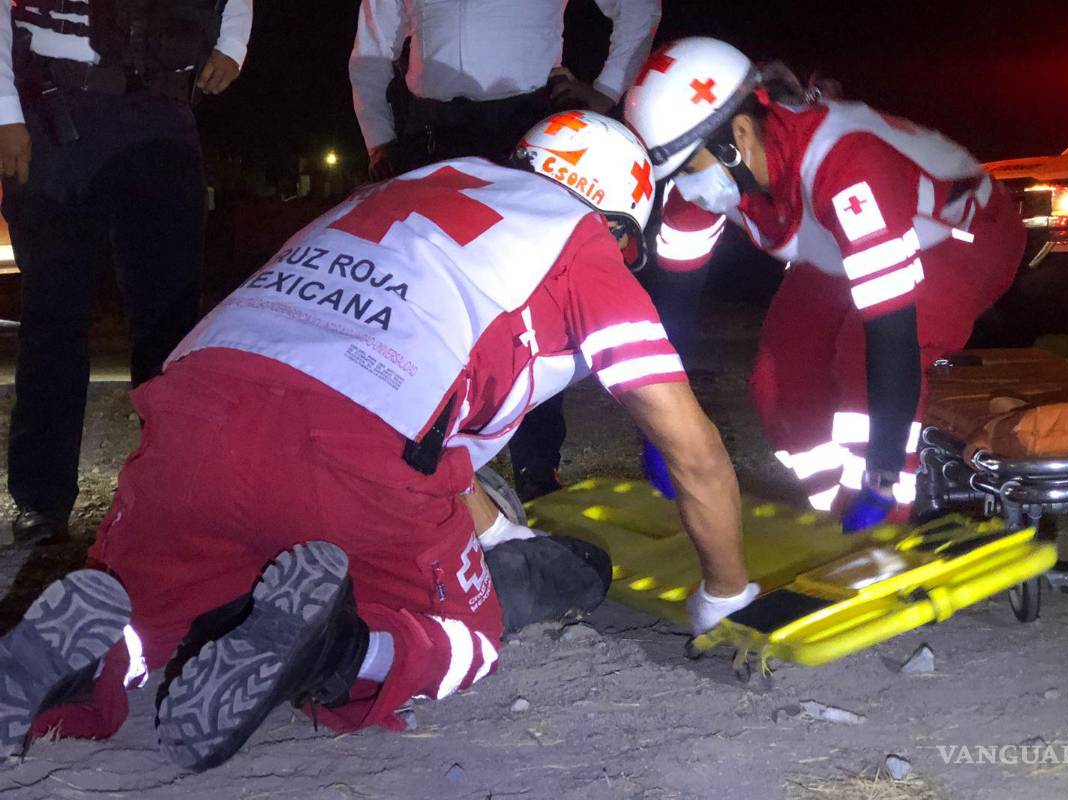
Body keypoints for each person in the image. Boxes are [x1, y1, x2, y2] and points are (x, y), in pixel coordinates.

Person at [0, 112, 757, 771]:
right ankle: (336, 654)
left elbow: (421, 400)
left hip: (196, 411)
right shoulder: (580, 243)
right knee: (467, 636)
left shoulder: (410, 186)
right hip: (356, 443)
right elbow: (692, 449)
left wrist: (503, 533)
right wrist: (727, 591)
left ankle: (104, 655)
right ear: (618, 221)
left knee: (193, 586)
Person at [623, 37, 1025, 531]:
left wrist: (880, 477)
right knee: (778, 379)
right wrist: (662, 428)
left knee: (857, 359)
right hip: (841, 244)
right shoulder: (700, 181)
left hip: (961, 235)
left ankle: (885, 522)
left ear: (740, 133)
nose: (684, 187)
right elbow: (673, 315)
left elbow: (891, 336)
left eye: (688, 168)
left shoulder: (846, 164)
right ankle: (835, 519)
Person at [349, 0, 662, 500]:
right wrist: (380, 140)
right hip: (429, 133)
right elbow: (369, 51)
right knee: (421, 298)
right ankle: (427, 465)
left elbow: (638, 8)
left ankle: (538, 471)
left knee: (533, 296)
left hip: (527, 126)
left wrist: (604, 92)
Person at [0, 0, 254, 545]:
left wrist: (233, 41)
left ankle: (173, 488)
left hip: (161, 115)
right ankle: (42, 500)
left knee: (171, 318)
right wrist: (3, 114)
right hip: (51, 110)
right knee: (52, 316)